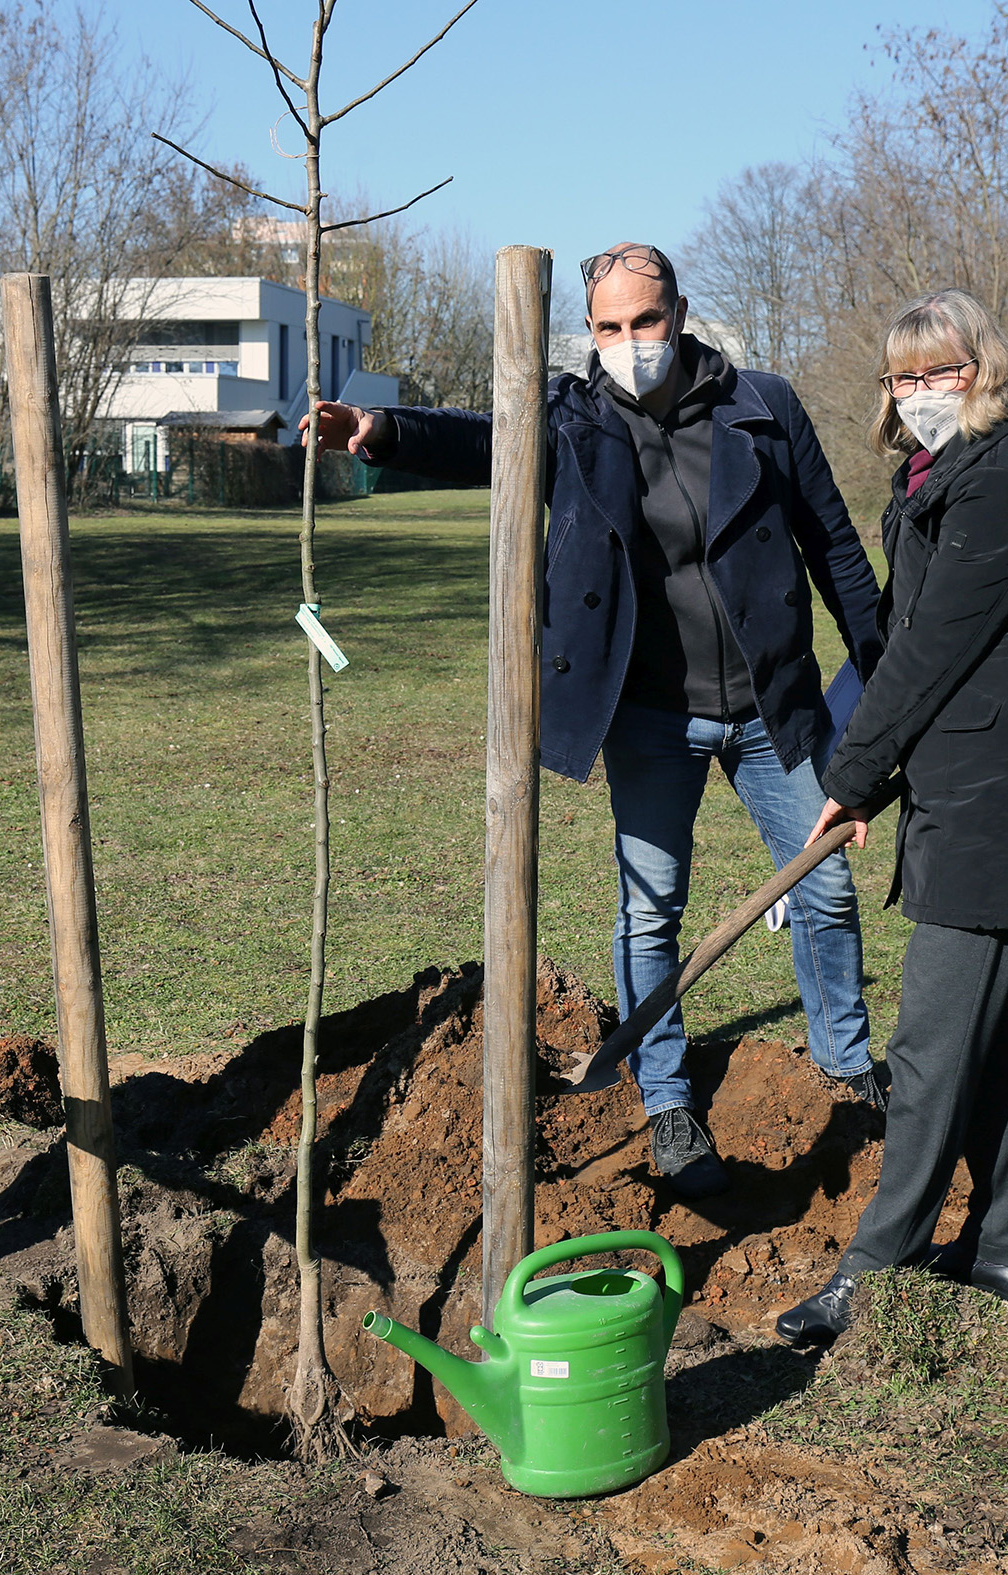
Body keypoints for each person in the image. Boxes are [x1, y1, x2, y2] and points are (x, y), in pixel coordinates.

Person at [309, 243, 886, 1199]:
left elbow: (836, 552)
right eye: (609, 328)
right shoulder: (572, 419)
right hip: (651, 718)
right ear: (591, 331)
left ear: (681, 314)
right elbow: (475, 437)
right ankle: (666, 1098)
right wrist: (375, 428)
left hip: (772, 711)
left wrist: (882, 696)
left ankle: (846, 1063)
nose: (629, 343)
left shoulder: (764, 407)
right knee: (648, 911)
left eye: (645, 322)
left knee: (822, 891)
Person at [776, 289, 1008, 1346]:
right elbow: (910, 641)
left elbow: (930, 649)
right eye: (904, 377)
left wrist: (858, 772)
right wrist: (875, 768)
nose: (922, 392)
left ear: (985, 369)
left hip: (1006, 793)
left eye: (942, 370)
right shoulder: (941, 476)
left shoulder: (1006, 479)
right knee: (992, 1038)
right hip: (970, 776)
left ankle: (875, 1269)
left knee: (926, 1043)